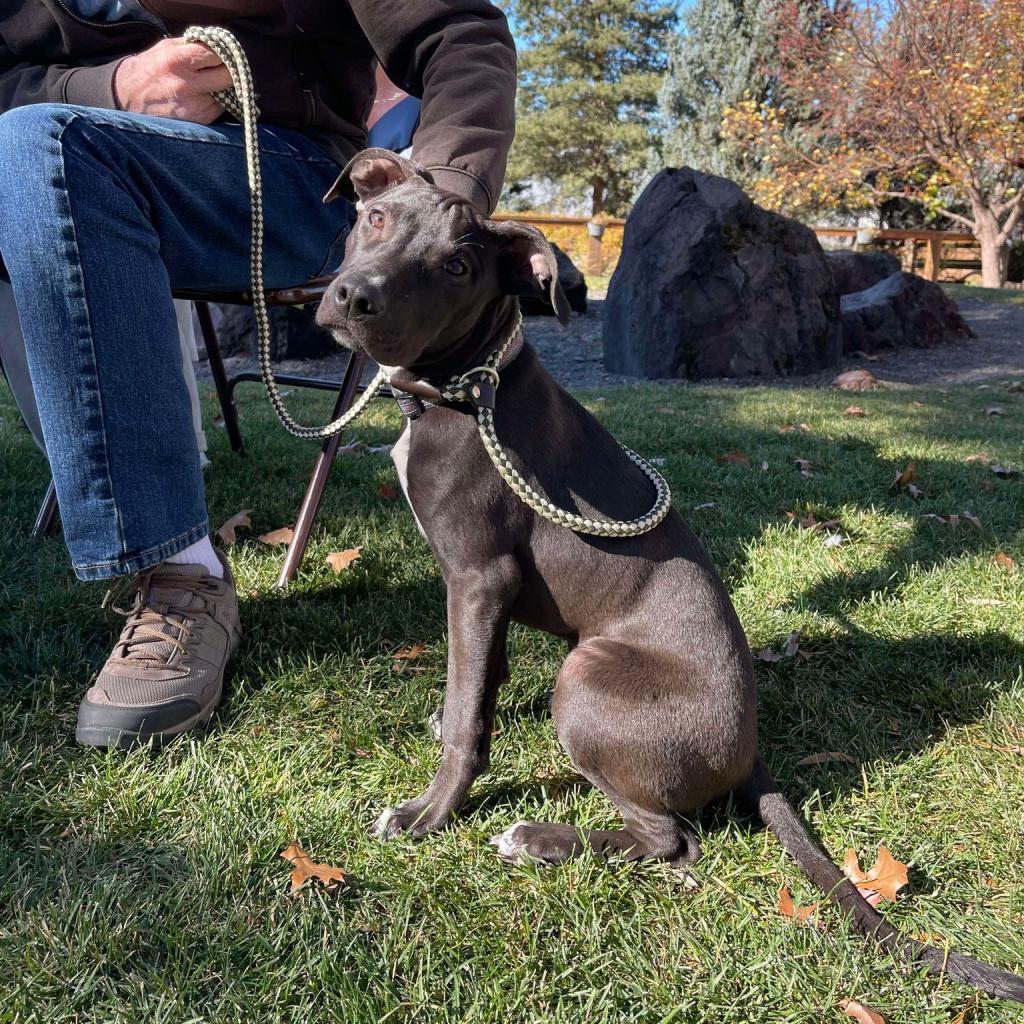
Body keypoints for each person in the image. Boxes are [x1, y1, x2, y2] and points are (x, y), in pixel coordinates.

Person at [0, 1, 516, 749]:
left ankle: (184, 575)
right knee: (34, 151)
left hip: (290, 171)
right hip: (66, 149)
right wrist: (106, 88)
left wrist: (433, 212)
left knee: (37, 150)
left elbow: (460, 33)